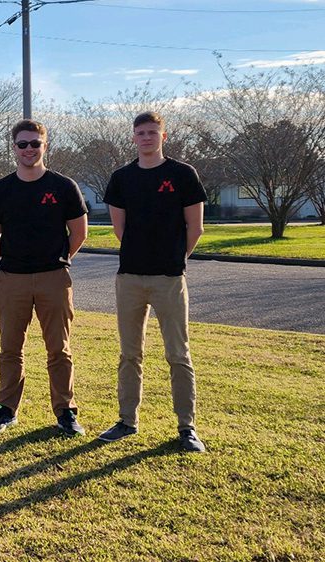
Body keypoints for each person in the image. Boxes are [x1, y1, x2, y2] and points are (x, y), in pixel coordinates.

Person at [98, 111, 207, 452]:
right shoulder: (122, 178)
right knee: (130, 354)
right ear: (133, 137)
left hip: (169, 278)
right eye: (141, 133)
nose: (146, 137)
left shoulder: (182, 175)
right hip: (130, 277)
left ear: (163, 136)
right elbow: (121, 230)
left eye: (152, 132)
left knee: (178, 354)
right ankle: (127, 420)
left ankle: (186, 428)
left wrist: (175, 259)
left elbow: (196, 227)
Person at [0, 119, 88, 437]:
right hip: (12, 278)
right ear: (13, 148)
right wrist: (11, 257)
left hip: (54, 277)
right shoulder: (1, 189)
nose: (29, 149)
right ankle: (6, 409)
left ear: (45, 144)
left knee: (59, 349)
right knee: (10, 348)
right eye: (22, 144)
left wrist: (58, 259)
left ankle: (65, 411)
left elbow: (79, 232)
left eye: (35, 143)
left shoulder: (63, 186)